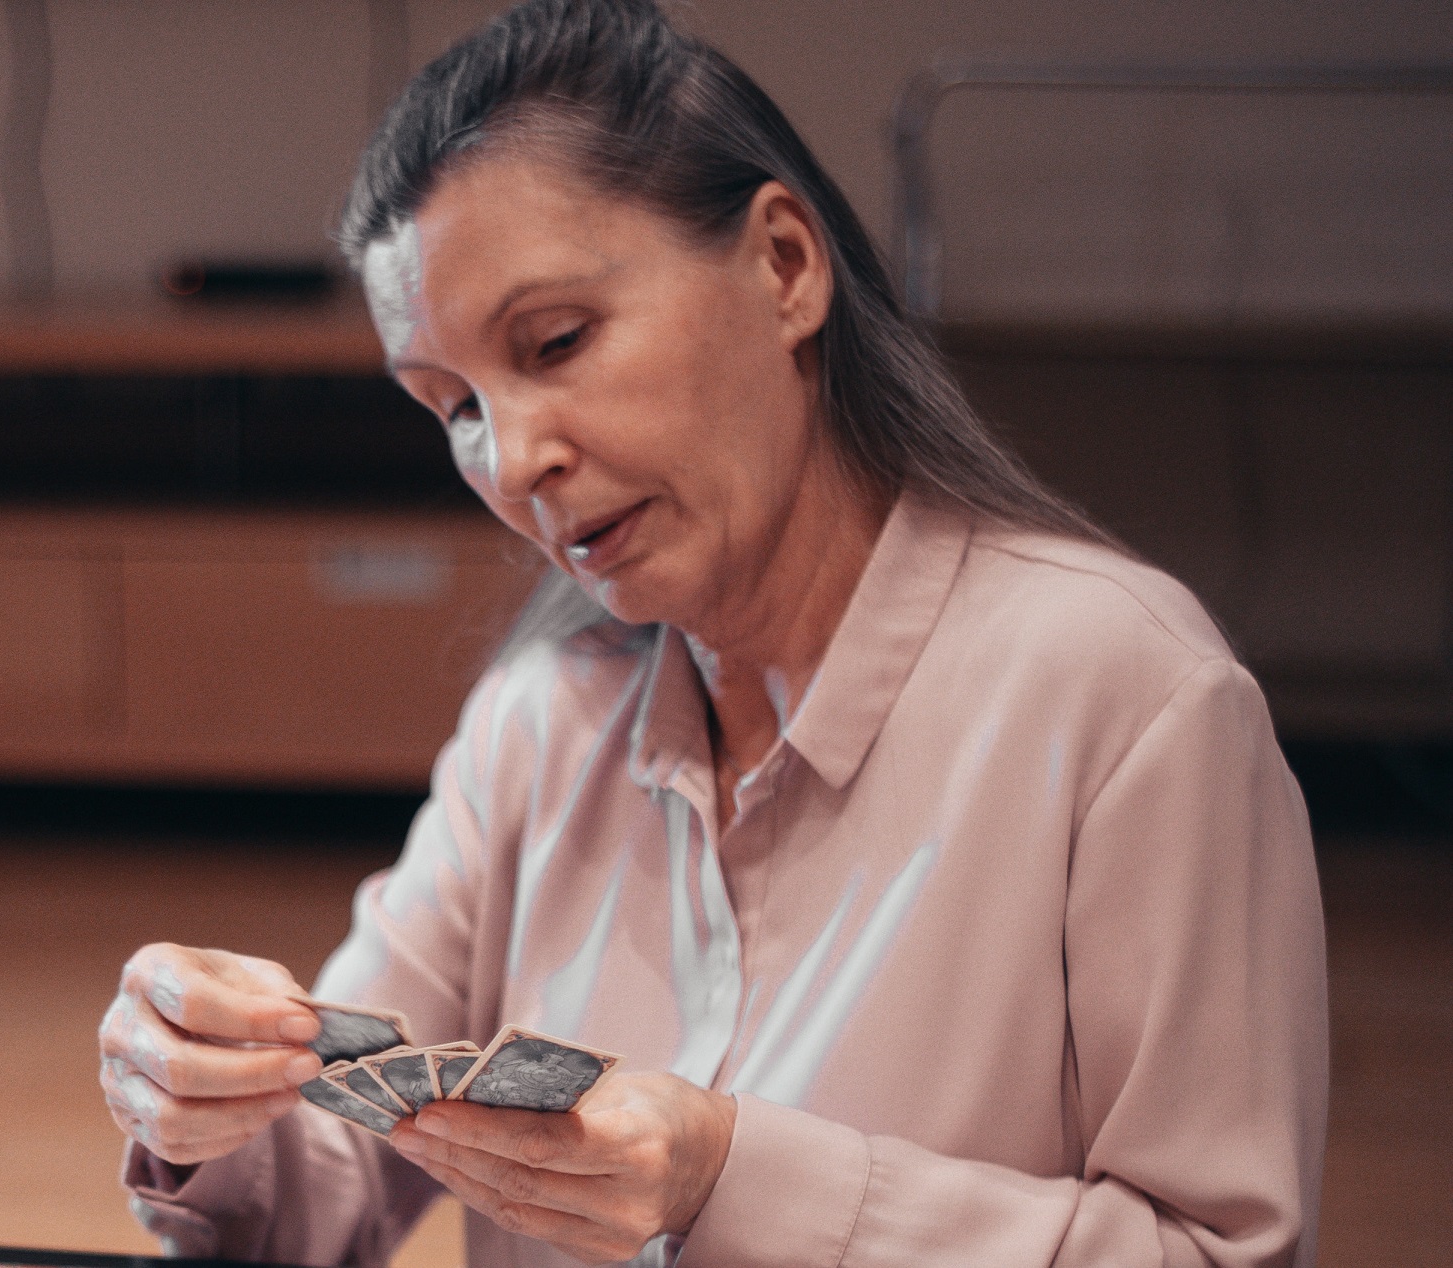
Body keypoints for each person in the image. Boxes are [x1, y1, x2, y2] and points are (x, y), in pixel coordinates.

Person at [98, 1, 1328, 1264]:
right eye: (453, 405)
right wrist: (204, 1102)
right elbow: (317, 1192)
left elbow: (1211, 1249)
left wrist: (726, 1177)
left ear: (784, 266)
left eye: (556, 341)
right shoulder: (540, 718)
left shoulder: (1126, 694)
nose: (511, 461)